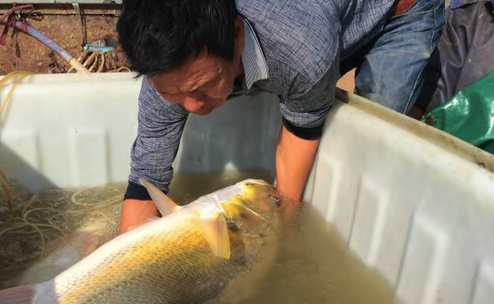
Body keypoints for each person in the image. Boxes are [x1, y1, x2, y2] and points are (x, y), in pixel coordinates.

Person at [115, 0, 446, 235]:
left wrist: (281, 241)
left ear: (237, 34)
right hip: (323, 24)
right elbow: (146, 180)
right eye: (173, 92)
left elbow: (295, 153)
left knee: (380, 123)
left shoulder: (301, 53)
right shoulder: (169, 71)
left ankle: (427, 77)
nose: (192, 107)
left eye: (203, 86)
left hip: (399, 12)